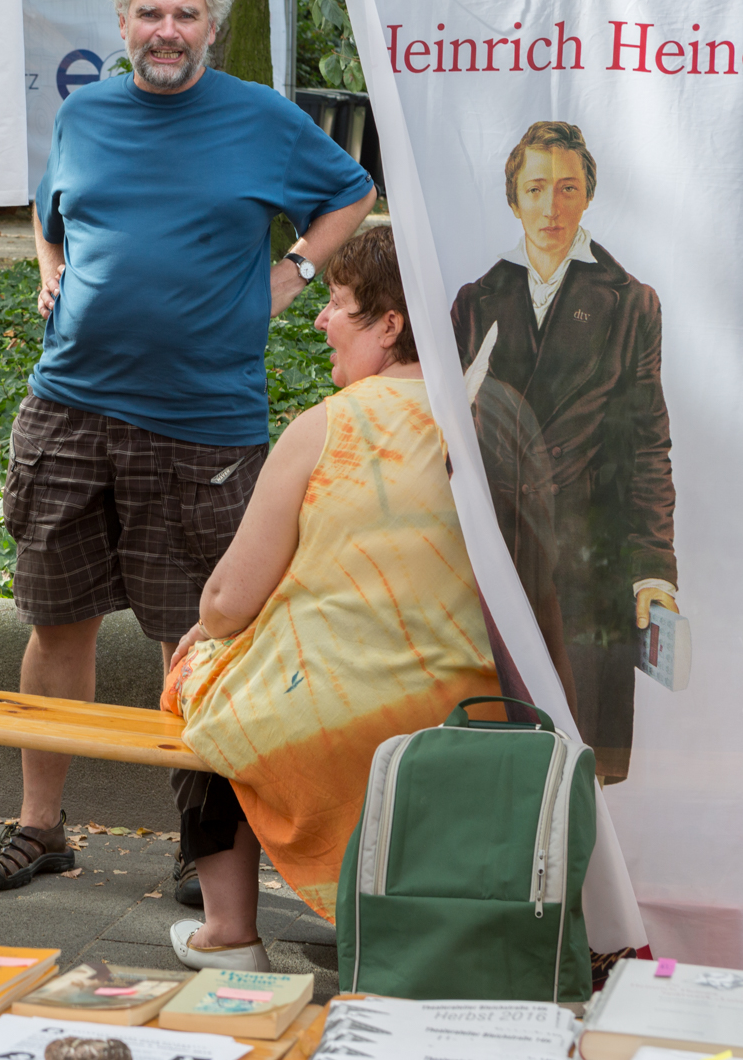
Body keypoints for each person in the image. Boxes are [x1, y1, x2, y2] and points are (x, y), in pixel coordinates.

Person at [0, 0, 377, 894]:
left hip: (204, 423)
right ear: (122, 22)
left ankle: (207, 852)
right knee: (55, 621)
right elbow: (48, 206)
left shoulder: (262, 119)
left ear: (212, 26)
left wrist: (296, 270)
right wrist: (50, 267)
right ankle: (41, 827)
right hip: (69, 409)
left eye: (186, 14)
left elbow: (351, 191)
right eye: (150, 12)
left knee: (194, 636)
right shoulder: (86, 114)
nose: (167, 30)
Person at [160, 225, 500, 970]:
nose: (318, 319)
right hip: (481, 706)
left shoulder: (326, 427)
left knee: (198, 681)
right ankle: (409, 921)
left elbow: (226, 596)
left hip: (337, 720)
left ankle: (229, 933)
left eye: (337, 305)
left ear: (389, 324)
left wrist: (203, 635)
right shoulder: (500, 423)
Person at [450, 121, 676, 782]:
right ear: (514, 198)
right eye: (537, 187)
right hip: (496, 558)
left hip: (585, 565)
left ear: (588, 197)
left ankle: (578, 887)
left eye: (568, 188)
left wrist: (653, 572)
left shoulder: (632, 303)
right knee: (495, 756)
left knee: (579, 766)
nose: (552, 207)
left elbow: (646, 445)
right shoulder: (474, 302)